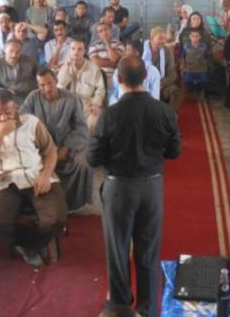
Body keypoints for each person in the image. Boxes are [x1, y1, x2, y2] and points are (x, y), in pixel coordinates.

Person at [88, 56, 181, 317]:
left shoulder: (111, 114)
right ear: (146, 78)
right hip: (151, 188)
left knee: (118, 249)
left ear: (118, 80)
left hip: (118, 189)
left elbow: (93, 158)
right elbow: (174, 152)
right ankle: (147, 309)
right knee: (148, 250)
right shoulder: (164, 111)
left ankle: (119, 306)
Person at [0, 90, 67, 267]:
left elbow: (50, 151)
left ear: (15, 108)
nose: (2, 118)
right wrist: (0, 134)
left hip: (36, 174)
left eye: (7, 113)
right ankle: (28, 244)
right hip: (6, 180)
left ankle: (33, 243)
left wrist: (46, 176)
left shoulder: (31, 122)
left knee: (57, 219)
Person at [22, 69, 93, 212]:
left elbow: (81, 128)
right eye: (42, 85)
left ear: (55, 81)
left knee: (84, 162)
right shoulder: (32, 98)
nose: (47, 88)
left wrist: (66, 148)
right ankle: (34, 204)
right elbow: (22, 121)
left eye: (49, 83)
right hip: (40, 147)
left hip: (67, 145)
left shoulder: (72, 99)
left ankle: (72, 205)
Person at [57, 39, 105, 133]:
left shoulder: (94, 68)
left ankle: (87, 146)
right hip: (68, 106)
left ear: (84, 51)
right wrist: (67, 69)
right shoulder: (65, 67)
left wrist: (96, 104)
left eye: (79, 49)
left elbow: (101, 89)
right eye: (73, 49)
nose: (76, 52)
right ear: (69, 50)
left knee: (94, 120)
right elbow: (60, 88)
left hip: (87, 106)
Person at [0, 39, 39, 103]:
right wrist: (3, 90)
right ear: (5, 50)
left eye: (17, 52)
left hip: (28, 95)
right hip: (6, 97)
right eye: (11, 51)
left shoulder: (29, 61)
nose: (14, 55)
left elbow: (40, 75)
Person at [109, 40, 160, 105]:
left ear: (139, 53)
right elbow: (112, 93)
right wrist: (119, 106)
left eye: (130, 50)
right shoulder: (119, 70)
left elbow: (155, 98)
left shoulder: (153, 71)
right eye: (126, 50)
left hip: (145, 109)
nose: (127, 54)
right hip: (121, 108)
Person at [143, 27, 182, 112]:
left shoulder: (167, 51)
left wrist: (160, 84)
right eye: (160, 38)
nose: (163, 41)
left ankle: (171, 116)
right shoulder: (141, 50)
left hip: (161, 85)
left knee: (174, 91)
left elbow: (172, 74)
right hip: (142, 86)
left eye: (164, 39)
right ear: (151, 38)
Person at [89, 23, 125, 88]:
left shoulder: (119, 44)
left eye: (106, 29)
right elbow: (95, 62)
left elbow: (114, 59)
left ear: (110, 30)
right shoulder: (93, 45)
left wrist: (107, 43)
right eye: (101, 31)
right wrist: (114, 64)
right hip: (97, 75)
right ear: (98, 35)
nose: (104, 32)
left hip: (114, 75)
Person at [181, 29, 210, 95]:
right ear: (190, 37)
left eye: (197, 36)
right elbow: (183, 57)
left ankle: (200, 89)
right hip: (190, 69)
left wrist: (205, 65)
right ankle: (193, 89)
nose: (195, 38)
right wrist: (183, 66)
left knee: (205, 80)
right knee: (188, 80)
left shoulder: (204, 46)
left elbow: (206, 56)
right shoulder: (186, 46)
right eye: (193, 36)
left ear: (200, 37)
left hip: (201, 68)